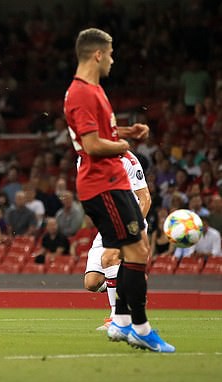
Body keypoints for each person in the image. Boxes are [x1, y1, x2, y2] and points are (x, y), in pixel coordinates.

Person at [64, 28, 173, 352]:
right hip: (103, 183)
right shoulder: (83, 93)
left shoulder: (91, 90)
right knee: (137, 251)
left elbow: (99, 133)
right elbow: (93, 144)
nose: (113, 60)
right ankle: (137, 326)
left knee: (136, 250)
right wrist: (125, 144)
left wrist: (125, 131)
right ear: (98, 54)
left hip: (112, 182)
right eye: (110, 54)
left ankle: (123, 322)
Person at [84, 151, 151, 330]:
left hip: (128, 223)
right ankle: (129, 282)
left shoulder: (127, 159)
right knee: (91, 283)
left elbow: (145, 198)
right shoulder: (83, 160)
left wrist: (133, 229)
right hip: (106, 225)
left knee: (109, 258)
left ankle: (116, 319)